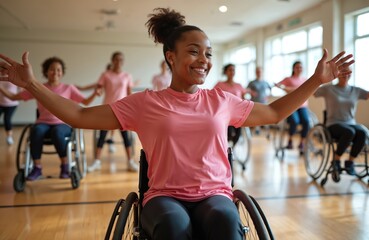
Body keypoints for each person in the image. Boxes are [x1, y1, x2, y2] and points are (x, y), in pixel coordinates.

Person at [0, 7, 354, 240]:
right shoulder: (146, 103)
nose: (204, 60)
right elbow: (77, 115)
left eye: (209, 53)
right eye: (195, 51)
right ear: (171, 56)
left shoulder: (220, 100)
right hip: (164, 196)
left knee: (224, 221)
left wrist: (315, 81)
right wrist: (31, 84)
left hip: (214, 193)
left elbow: (275, 113)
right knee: (173, 225)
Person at [0, 56, 100, 180]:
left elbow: (85, 102)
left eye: (58, 70)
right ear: (46, 72)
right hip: (43, 122)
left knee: (57, 133)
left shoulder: (69, 88)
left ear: (62, 72)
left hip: (63, 124)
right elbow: (14, 97)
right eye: (52, 69)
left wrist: (95, 94)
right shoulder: (37, 87)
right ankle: (37, 168)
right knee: (36, 131)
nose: (56, 72)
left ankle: (65, 165)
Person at [77, 51, 138, 173]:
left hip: (123, 110)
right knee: (102, 136)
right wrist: (97, 92)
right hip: (108, 109)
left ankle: (130, 162)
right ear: (112, 61)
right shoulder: (106, 75)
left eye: (121, 60)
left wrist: (134, 108)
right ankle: (97, 161)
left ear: (123, 61)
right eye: (116, 59)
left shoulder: (127, 76)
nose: (119, 62)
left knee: (126, 136)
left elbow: (129, 93)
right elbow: (99, 87)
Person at [314, 70, 369, 175]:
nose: (346, 74)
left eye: (348, 72)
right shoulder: (329, 89)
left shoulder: (356, 90)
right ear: (337, 73)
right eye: (343, 71)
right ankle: (336, 160)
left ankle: (350, 162)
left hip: (350, 123)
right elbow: (310, 92)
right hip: (333, 124)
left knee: (362, 132)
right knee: (350, 132)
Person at [275, 61, 310, 153]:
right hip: (291, 106)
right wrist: (286, 88)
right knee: (294, 121)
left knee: (306, 121)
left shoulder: (304, 80)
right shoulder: (288, 79)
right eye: (297, 67)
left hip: (303, 105)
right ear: (293, 68)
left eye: (300, 67)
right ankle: (290, 141)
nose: (299, 69)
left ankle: (301, 142)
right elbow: (277, 84)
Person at [214, 63, 250, 146]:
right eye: (230, 70)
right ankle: (227, 144)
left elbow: (244, 97)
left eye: (233, 70)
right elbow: (213, 97)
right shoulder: (220, 84)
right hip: (224, 113)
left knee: (237, 134)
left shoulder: (239, 85)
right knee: (229, 133)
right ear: (225, 72)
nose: (232, 72)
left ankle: (232, 146)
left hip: (238, 113)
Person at [247, 66, 272, 135]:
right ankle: (256, 129)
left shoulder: (265, 82)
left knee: (264, 117)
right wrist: (251, 92)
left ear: (262, 72)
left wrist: (268, 96)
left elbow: (270, 89)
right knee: (255, 117)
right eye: (257, 71)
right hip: (254, 103)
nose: (259, 73)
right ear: (255, 72)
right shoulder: (252, 82)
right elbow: (246, 90)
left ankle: (265, 131)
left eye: (260, 71)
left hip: (264, 103)